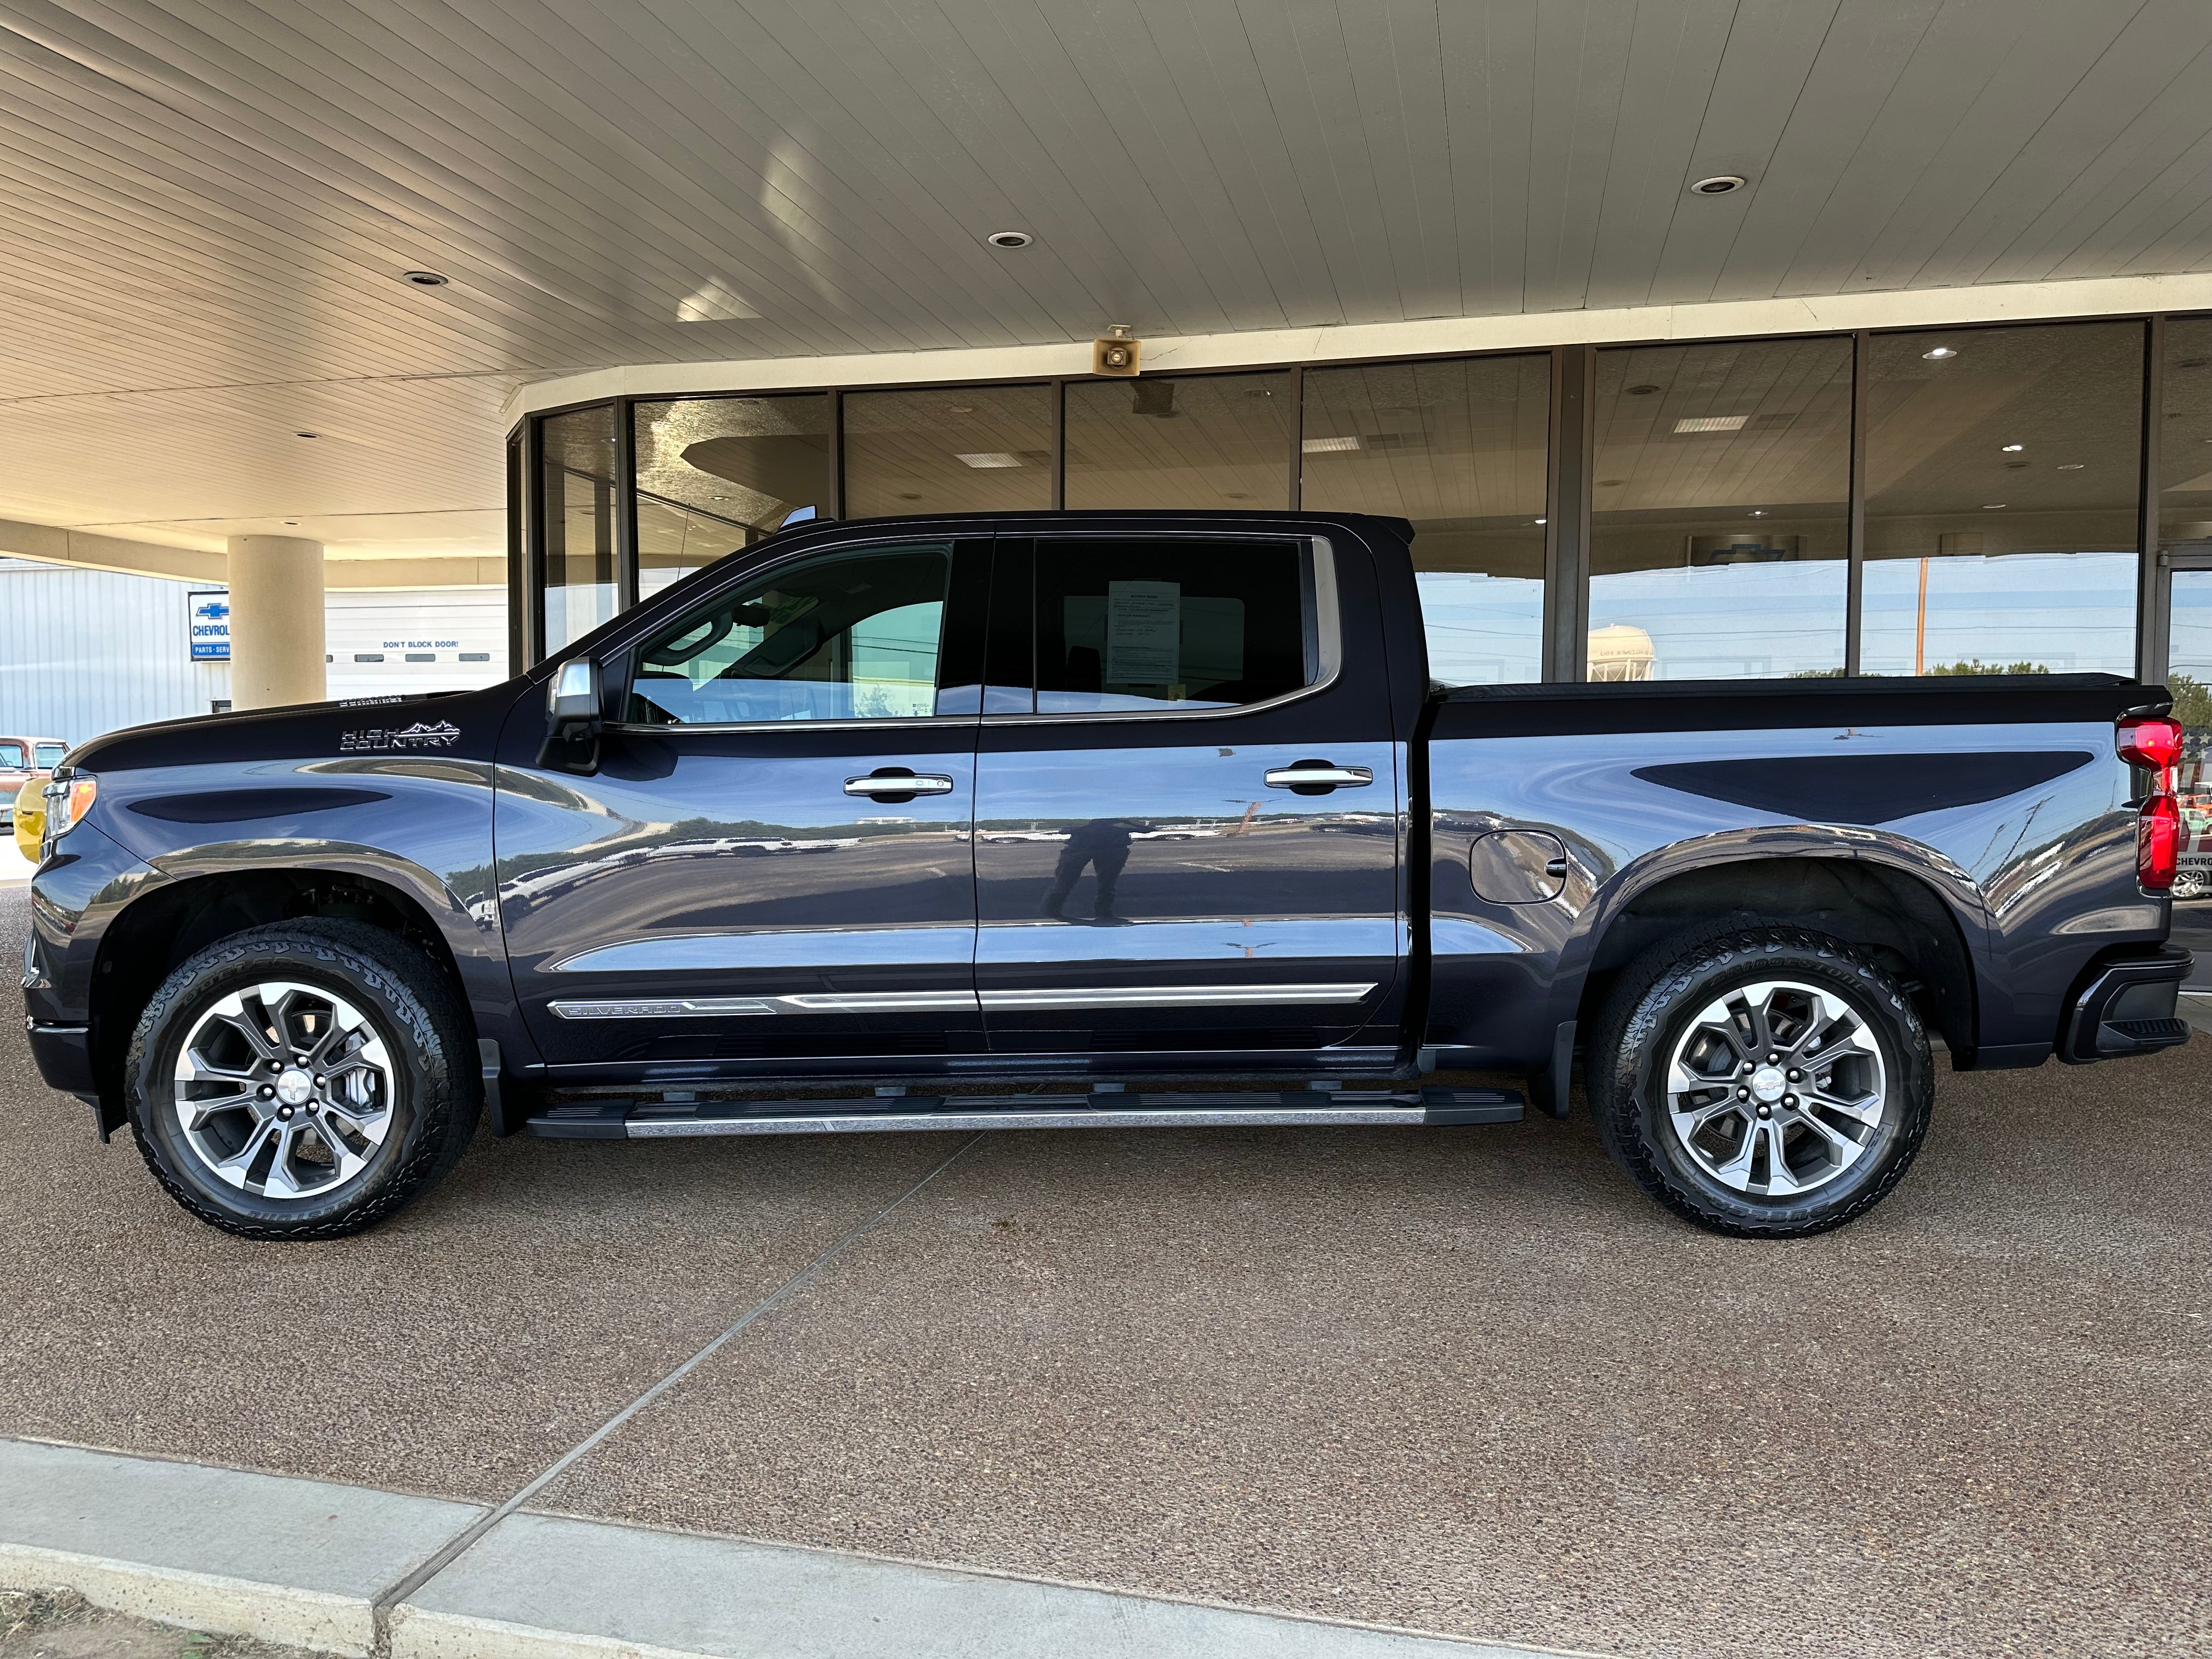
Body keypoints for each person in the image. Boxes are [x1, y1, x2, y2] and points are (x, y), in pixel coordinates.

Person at [1042, 817, 1141, 922]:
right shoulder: (1118, 828)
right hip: (1102, 848)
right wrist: (1126, 824)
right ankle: (1051, 911)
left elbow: (1064, 830)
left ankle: (1051, 912)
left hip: (1106, 848)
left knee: (1106, 884)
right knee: (1066, 882)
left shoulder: (1116, 828)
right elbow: (1063, 830)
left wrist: (1125, 824)